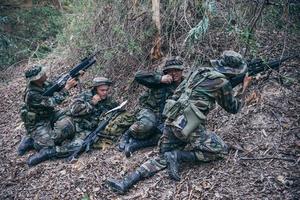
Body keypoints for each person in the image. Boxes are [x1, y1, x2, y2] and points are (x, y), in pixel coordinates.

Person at [107, 50, 250, 194]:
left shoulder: (198, 72)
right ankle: (178, 155)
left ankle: (125, 182)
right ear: (233, 70)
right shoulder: (222, 82)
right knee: (221, 150)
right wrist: (244, 88)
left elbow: (177, 94)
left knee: (161, 158)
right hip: (188, 126)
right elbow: (234, 108)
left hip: (171, 121)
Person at [26, 76, 133, 166]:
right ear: (95, 89)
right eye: (102, 90)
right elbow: (73, 110)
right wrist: (91, 103)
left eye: (106, 90)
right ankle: (32, 141)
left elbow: (116, 111)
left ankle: (49, 153)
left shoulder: (109, 101)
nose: (105, 93)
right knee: (53, 139)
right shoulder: (86, 96)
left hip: (86, 130)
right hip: (73, 122)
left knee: (78, 147)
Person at [118, 56, 184, 157]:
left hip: (167, 117)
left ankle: (136, 145)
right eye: (170, 71)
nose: (174, 73)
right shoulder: (160, 79)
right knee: (147, 125)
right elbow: (138, 76)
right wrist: (160, 79)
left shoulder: (186, 84)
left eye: (176, 70)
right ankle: (128, 134)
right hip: (150, 111)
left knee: (170, 136)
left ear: (181, 70)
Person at [19, 65, 78, 166]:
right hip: (37, 123)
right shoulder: (31, 94)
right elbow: (53, 101)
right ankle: (32, 141)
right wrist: (67, 88)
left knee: (72, 113)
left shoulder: (43, 83)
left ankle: (34, 138)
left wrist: (75, 76)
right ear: (36, 78)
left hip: (49, 115)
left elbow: (57, 86)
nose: (45, 74)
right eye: (42, 74)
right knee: (50, 145)